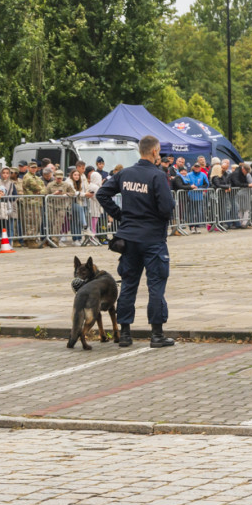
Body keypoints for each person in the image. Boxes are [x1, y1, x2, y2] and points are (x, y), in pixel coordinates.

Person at [96, 134, 176, 349]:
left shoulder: (125, 173)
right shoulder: (157, 176)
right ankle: (157, 335)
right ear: (155, 151)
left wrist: (121, 215)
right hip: (153, 239)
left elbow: (102, 193)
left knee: (129, 285)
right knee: (156, 285)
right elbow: (167, 208)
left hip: (129, 239)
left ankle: (125, 334)